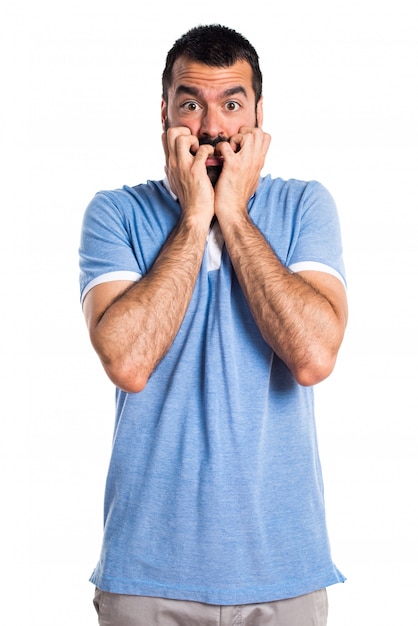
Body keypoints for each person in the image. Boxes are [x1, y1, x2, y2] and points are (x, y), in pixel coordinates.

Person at [79, 23, 348, 626]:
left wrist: (233, 213)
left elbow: (313, 355)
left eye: (232, 103)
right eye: (191, 104)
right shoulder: (115, 213)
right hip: (146, 575)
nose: (213, 128)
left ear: (258, 113)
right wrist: (197, 215)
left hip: (284, 571)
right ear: (165, 114)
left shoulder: (304, 206)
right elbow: (127, 362)